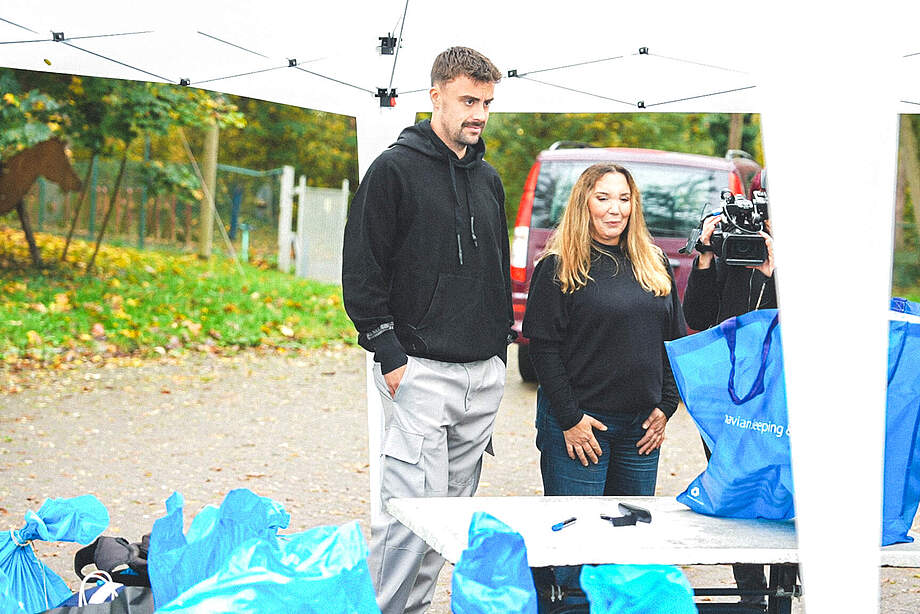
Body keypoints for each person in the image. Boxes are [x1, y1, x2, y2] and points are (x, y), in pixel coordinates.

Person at [342, 47, 513, 614]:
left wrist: (498, 353)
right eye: (469, 100)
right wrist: (389, 354)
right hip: (419, 372)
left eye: (487, 103)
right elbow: (362, 270)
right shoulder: (394, 169)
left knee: (449, 525)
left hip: (481, 376)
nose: (480, 115)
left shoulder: (488, 179)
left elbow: (491, 270)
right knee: (407, 520)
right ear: (435, 95)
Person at [522, 163, 686, 605]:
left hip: (639, 432)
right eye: (604, 198)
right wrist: (571, 419)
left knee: (629, 550)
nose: (615, 209)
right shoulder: (559, 265)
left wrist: (666, 406)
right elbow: (544, 349)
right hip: (579, 430)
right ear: (584, 203)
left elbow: (672, 342)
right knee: (574, 551)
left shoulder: (655, 264)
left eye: (624, 199)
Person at [682, 169, 776, 607]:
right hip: (731, 398)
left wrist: (776, 275)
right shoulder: (736, 247)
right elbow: (698, 316)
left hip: (782, 401)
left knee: (779, 492)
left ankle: (783, 588)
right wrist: (705, 256)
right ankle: (753, 596)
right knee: (735, 494)